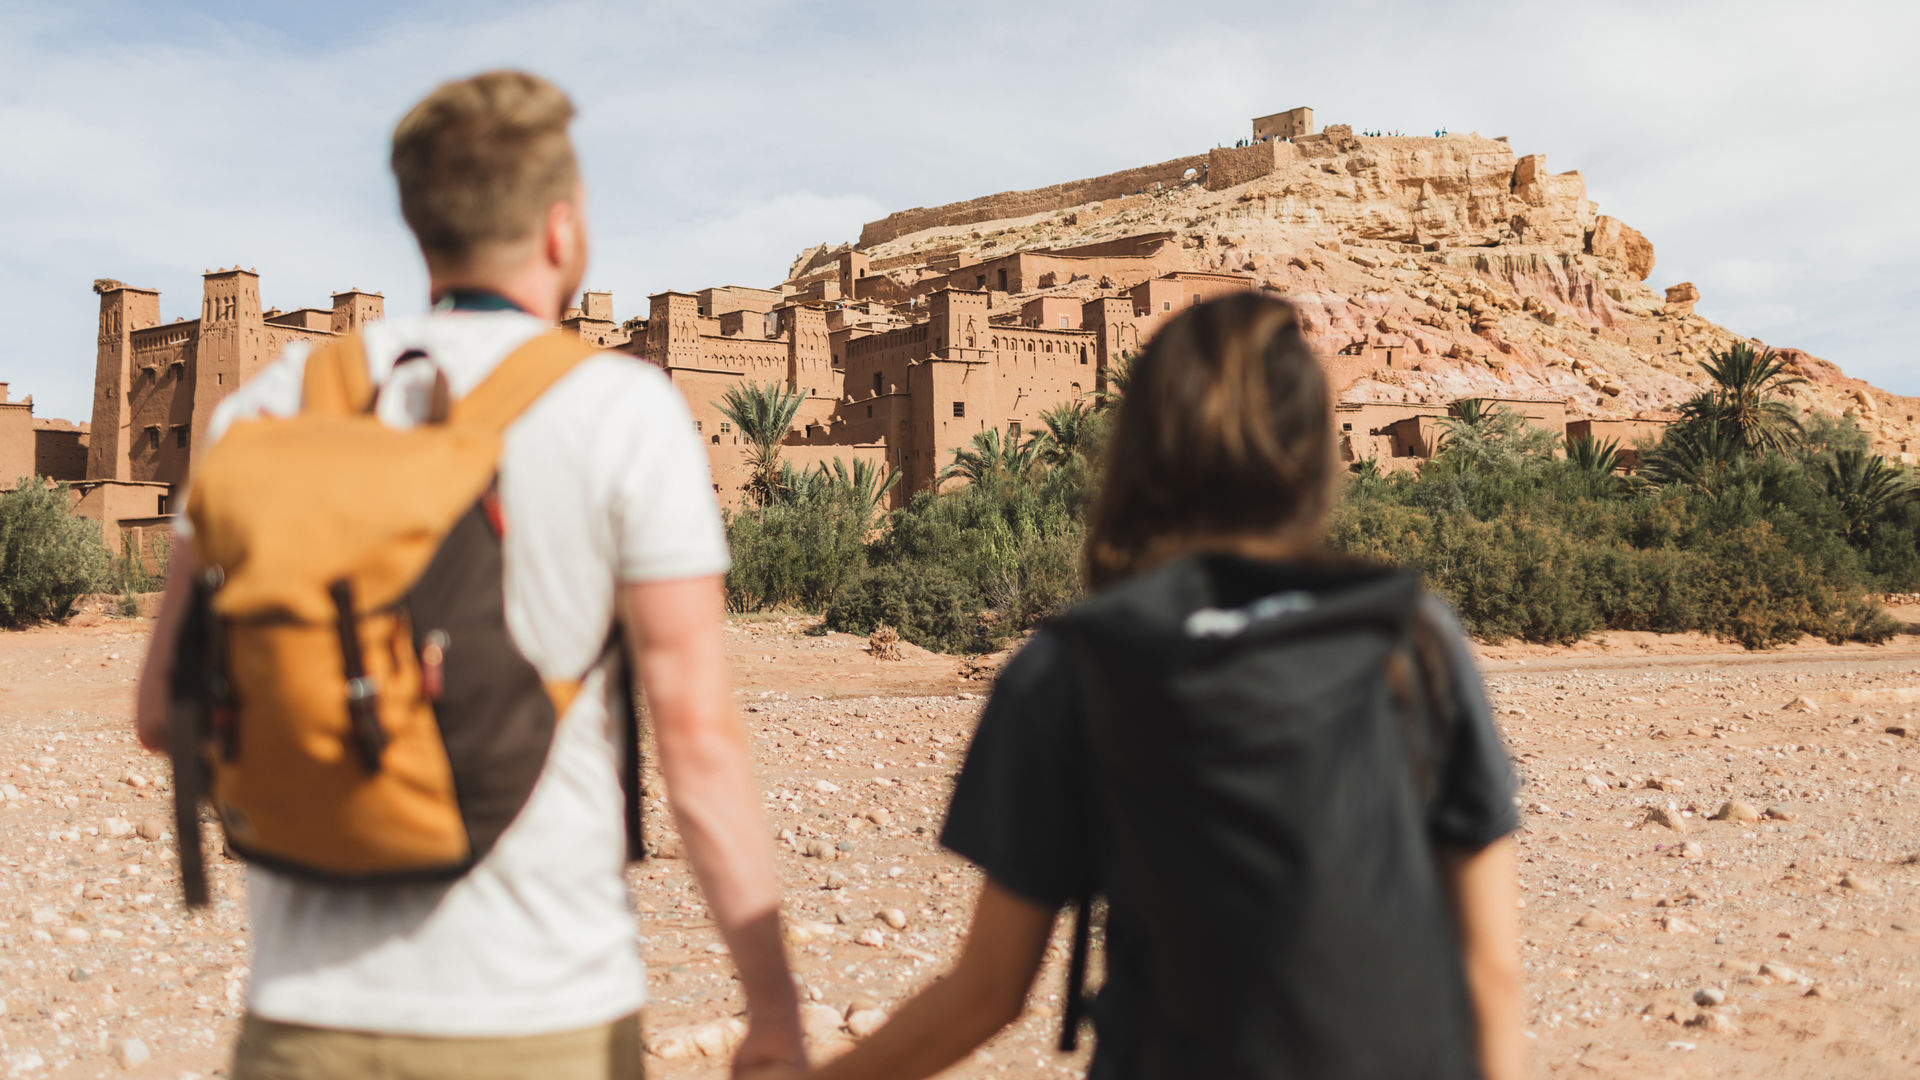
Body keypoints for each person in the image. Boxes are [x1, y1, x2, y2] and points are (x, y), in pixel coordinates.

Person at [134, 70, 805, 1080]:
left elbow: (159, 711)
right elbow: (697, 741)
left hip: (305, 1023)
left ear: (421, 230)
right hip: (543, 1016)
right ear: (561, 230)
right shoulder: (619, 410)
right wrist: (773, 1010)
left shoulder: (264, 407)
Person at [799, 294, 1524, 1080]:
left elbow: (989, 992)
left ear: (1138, 450)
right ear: (1316, 454)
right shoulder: (1411, 637)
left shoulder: (1075, 665)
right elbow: (1491, 972)